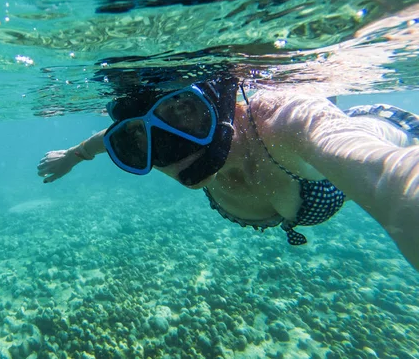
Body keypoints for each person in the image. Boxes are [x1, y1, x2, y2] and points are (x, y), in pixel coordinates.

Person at [37, 77, 419, 271]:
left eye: (183, 112)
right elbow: (110, 137)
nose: (168, 154)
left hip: (365, 132)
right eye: (137, 142)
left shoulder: (284, 124)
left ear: (218, 102)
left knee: (372, 134)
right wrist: (73, 156)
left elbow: (387, 174)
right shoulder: (154, 139)